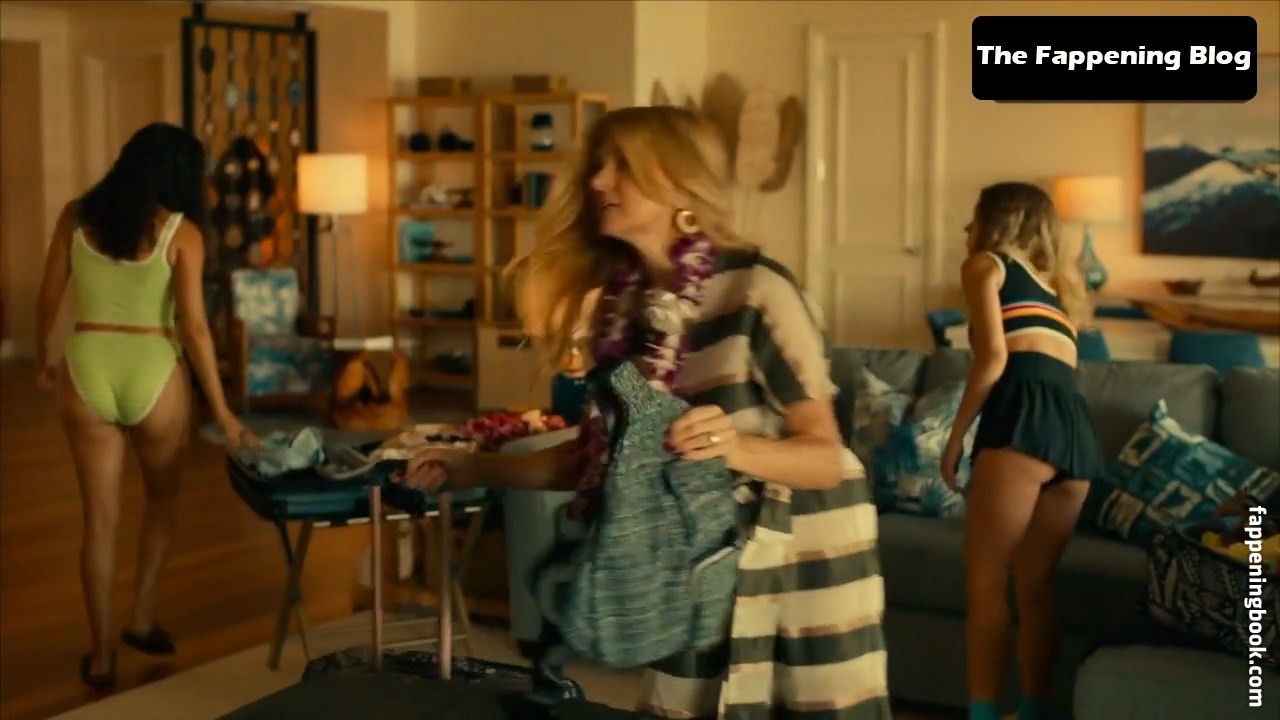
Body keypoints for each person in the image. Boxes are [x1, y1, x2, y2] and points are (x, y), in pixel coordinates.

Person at [397, 106, 890, 719]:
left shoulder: (758, 291)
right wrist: (472, 468)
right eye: (599, 165)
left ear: (679, 182)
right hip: (692, 556)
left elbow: (827, 459)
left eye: (622, 166)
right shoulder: (622, 310)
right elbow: (599, 460)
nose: (599, 181)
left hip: (802, 555)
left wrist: (734, 447)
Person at [35, 122, 255, 689]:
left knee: (99, 519)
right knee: (161, 498)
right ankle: (141, 617)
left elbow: (47, 297)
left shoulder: (75, 216)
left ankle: (101, 657)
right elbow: (195, 329)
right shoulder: (182, 233)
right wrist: (224, 413)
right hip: (153, 368)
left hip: (88, 362)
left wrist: (43, 358)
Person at [940, 182, 1105, 720]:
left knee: (985, 583)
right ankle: (1032, 710)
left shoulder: (985, 265)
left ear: (993, 219)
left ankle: (984, 714)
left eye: (975, 214)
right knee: (1034, 590)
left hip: (1023, 423)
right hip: (1074, 434)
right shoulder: (1056, 293)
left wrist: (957, 435)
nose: (968, 226)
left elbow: (993, 359)